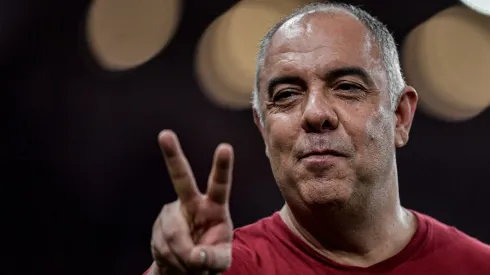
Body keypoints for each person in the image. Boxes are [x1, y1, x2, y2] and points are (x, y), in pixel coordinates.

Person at [145, 2, 490, 275]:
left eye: (347, 88)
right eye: (286, 95)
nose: (314, 113)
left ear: (400, 117)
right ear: (263, 130)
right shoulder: (218, 268)